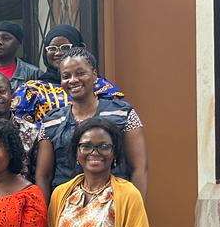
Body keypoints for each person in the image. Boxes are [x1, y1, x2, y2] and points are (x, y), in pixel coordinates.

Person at [41, 48, 148, 198]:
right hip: (66, 208)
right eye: (66, 76)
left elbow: (139, 168)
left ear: (94, 75)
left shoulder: (123, 113)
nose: (73, 80)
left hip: (113, 205)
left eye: (80, 73)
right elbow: (43, 176)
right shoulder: (51, 121)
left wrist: (136, 210)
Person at [11, 25, 123, 123]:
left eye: (65, 47)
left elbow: (118, 120)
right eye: (52, 48)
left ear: (78, 48)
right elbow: (20, 129)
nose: (58, 53)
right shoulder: (32, 90)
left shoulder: (101, 86)